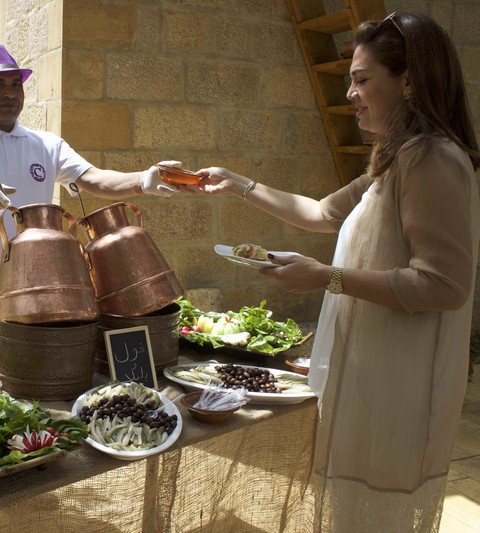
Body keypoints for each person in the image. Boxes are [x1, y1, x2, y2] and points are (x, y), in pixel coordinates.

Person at [190, 12, 479, 531]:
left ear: (409, 81)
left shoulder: (433, 159)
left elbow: (446, 284)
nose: (349, 92)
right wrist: (239, 184)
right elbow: (321, 213)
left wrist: (327, 277)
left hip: (398, 387)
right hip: (369, 378)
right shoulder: (394, 158)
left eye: (363, 79)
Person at [0, 44, 181, 348]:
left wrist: (141, 180)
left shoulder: (46, 145)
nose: (9, 93)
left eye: (15, 84)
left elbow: (94, 179)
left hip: (32, 289)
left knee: (23, 378)